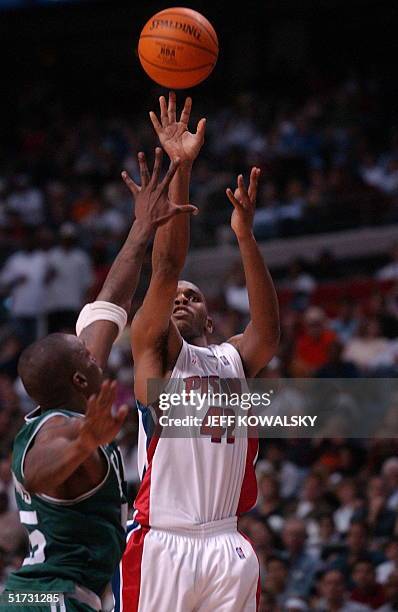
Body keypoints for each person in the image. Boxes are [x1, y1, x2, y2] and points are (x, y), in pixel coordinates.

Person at [2, 150, 196, 612]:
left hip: (49, 594)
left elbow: (113, 296)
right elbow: (36, 470)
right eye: (86, 352)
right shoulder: (57, 429)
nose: (95, 348)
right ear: (76, 375)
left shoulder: (76, 394)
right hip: (47, 598)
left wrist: (144, 225)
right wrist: (82, 445)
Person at [119, 92, 280, 611]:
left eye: (196, 295)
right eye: (177, 298)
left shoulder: (235, 360)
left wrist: (245, 236)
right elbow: (165, 270)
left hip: (228, 543)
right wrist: (182, 169)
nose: (183, 297)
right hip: (164, 540)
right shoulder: (157, 355)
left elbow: (269, 330)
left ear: (211, 319)